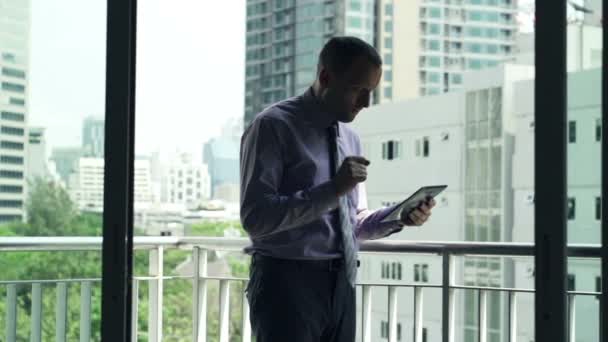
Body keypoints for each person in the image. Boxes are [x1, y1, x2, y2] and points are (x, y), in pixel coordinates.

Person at [239, 36, 436, 342]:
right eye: (358, 90)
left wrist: (400, 217)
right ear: (326, 78)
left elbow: (353, 223)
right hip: (287, 284)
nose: (366, 104)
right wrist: (333, 189)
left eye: (370, 93)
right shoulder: (273, 126)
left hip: (343, 283)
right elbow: (256, 218)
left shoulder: (351, 138)